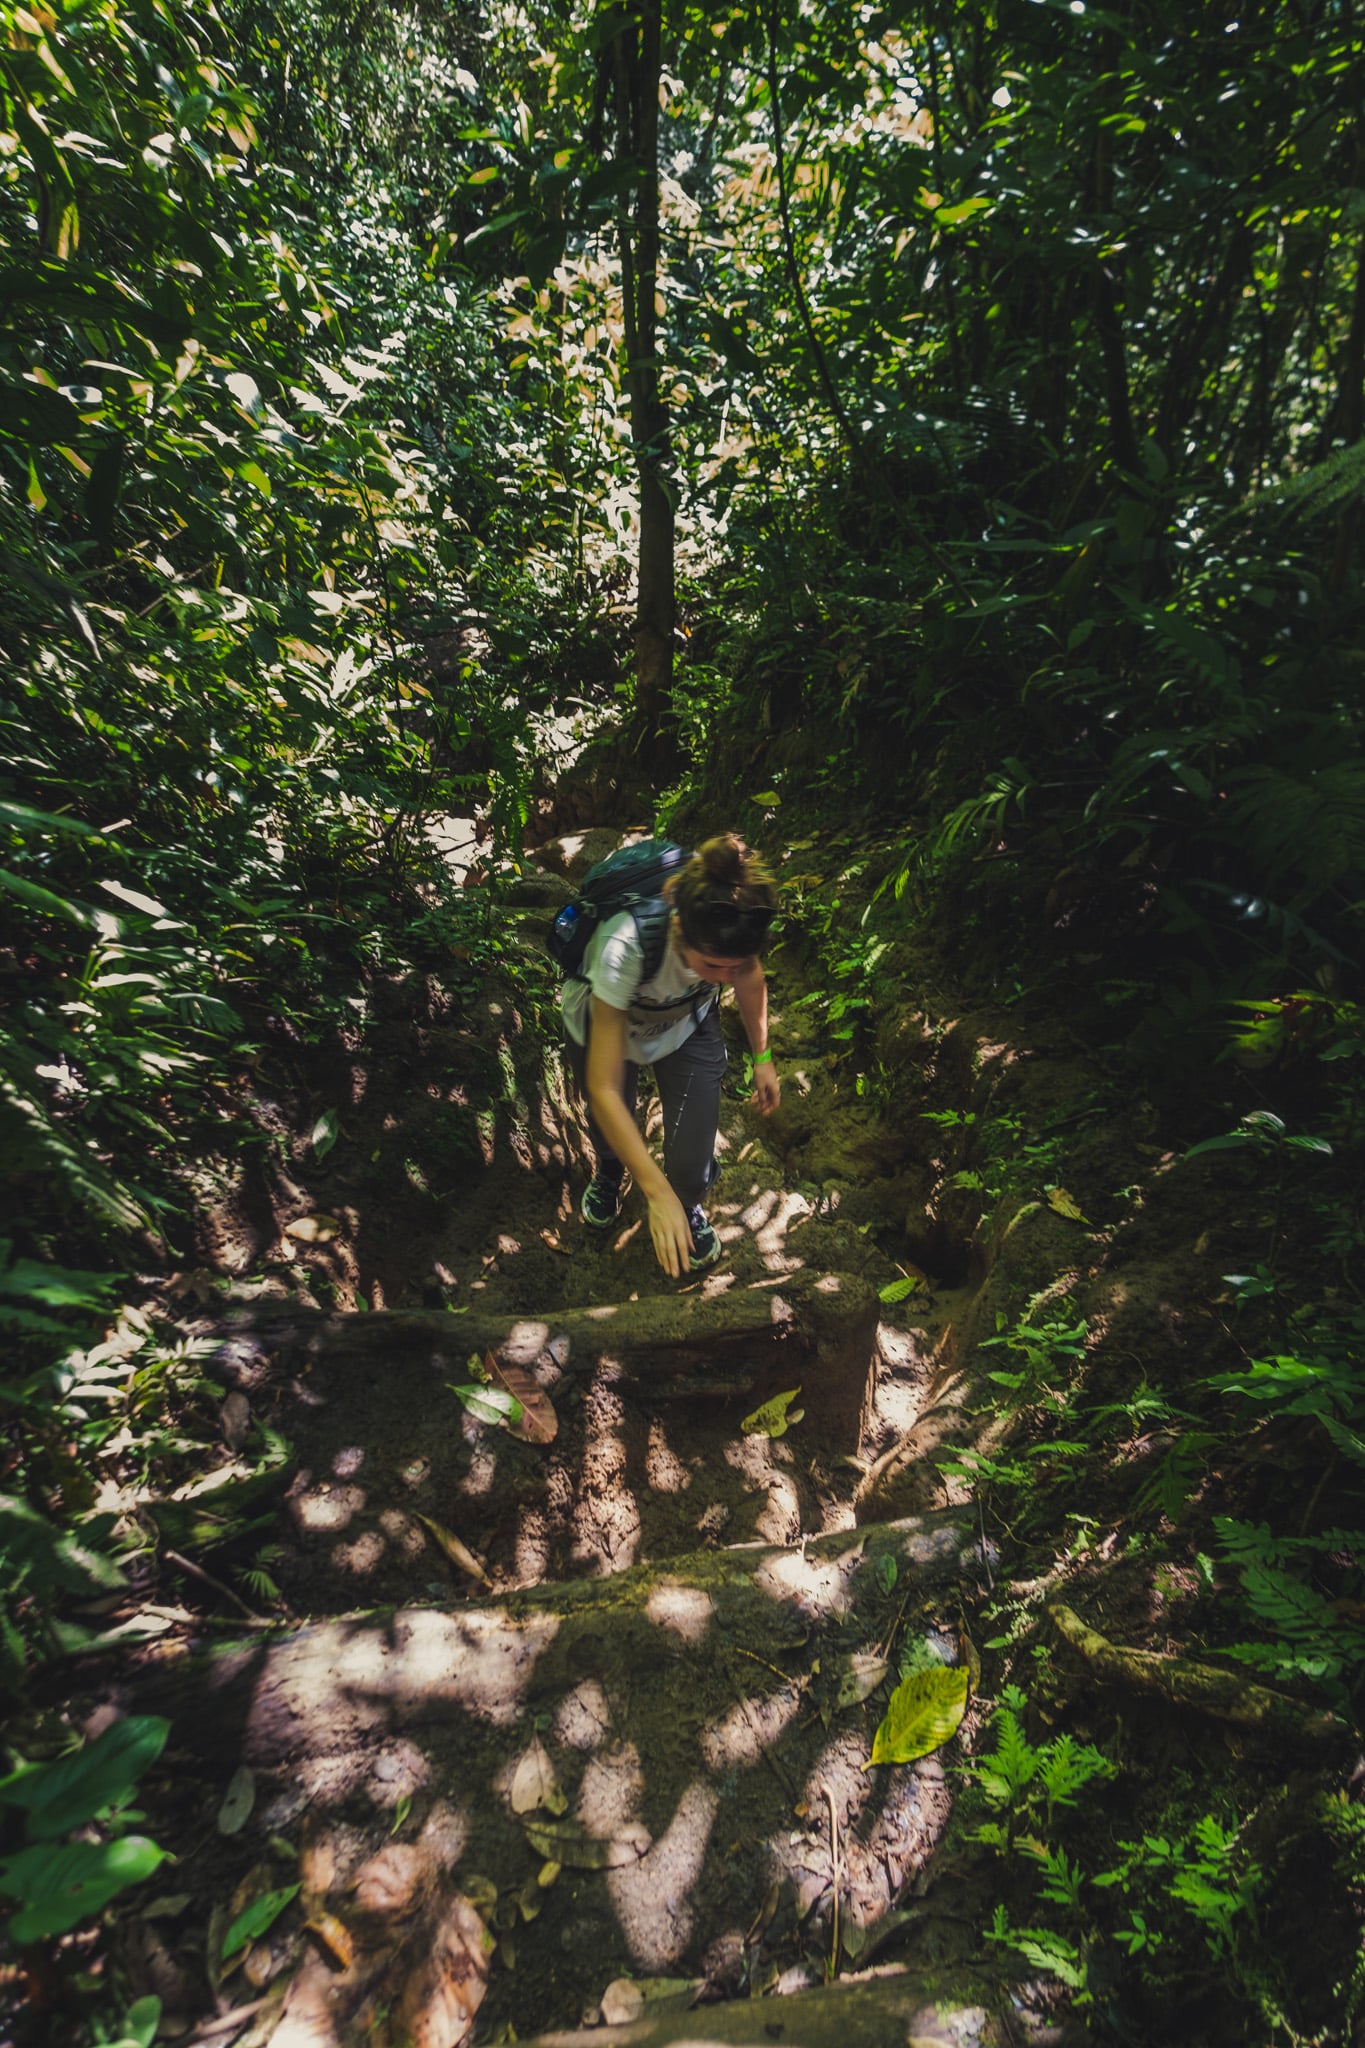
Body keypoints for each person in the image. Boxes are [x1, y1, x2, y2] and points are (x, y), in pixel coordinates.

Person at [561, 833, 780, 1278]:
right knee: (612, 1118)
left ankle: (687, 1203)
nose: (725, 977)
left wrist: (763, 1059)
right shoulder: (624, 944)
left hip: (687, 1022)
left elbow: (752, 983)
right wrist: (654, 1195)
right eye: (713, 966)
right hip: (609, 1020)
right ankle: (609, 1171)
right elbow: (602, 1087)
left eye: (733, 967)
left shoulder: (735, 931)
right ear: (680, 926)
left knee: (691, 1164)